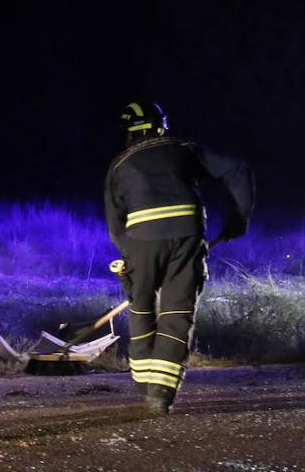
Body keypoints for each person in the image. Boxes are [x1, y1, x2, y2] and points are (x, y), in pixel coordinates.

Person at [104, 101, 254, 416]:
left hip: (140, 240)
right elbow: (238, 170)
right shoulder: (184, 149)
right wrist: (239, 218)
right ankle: (160, 396)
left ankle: (146, 386)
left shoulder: (118, 166)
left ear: (128, 133)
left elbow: (115, 224)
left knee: (141, 307)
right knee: (177, 312)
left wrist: (129, 257)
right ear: (160, 125)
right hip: (187, 234)